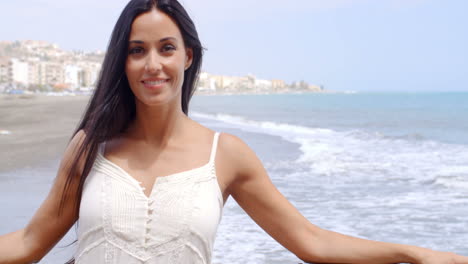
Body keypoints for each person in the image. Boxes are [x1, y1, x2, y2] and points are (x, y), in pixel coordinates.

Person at [1, 0, 467, 263]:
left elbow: (312, 241)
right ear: (121, 62)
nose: (153, 64)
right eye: (136, 50)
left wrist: (413, 253)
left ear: (187, 56)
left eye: (166, 48)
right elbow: (29, 242)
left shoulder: (226, 155)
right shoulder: (91, 147)